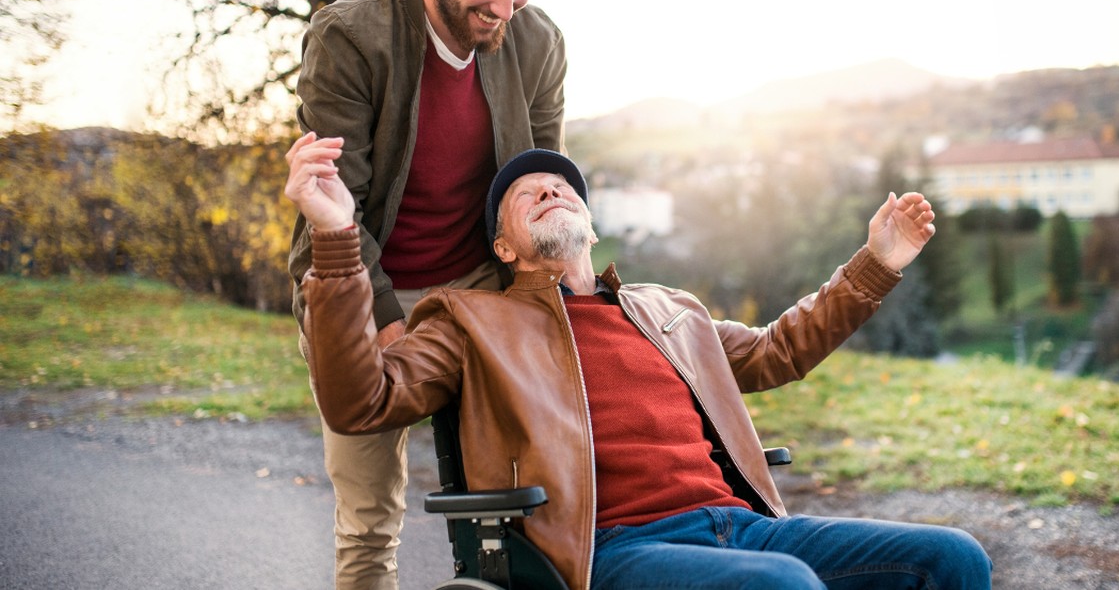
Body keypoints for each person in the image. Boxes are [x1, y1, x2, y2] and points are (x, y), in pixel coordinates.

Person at [287, 140, 993, 590]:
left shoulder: (668, 309)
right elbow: (361, 403)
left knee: (955, 558)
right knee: (782, 586)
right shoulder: (472, 319)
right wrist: (336, 237)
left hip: (739, 524)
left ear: (591, 226)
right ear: (504, 247)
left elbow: (782, 348)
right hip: (609, 547)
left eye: (563, 186)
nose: (551, 189)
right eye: (526, 193)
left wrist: (876, 265)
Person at [284, 0, 565, 586]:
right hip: (358, 280)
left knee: (530, 501)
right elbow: (338, 208)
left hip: (476, 283)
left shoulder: (539, 41)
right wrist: (386, 323)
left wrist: (558, 300)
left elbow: (543, 183)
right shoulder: (351, 36)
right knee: (370, 517)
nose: (503, 10)